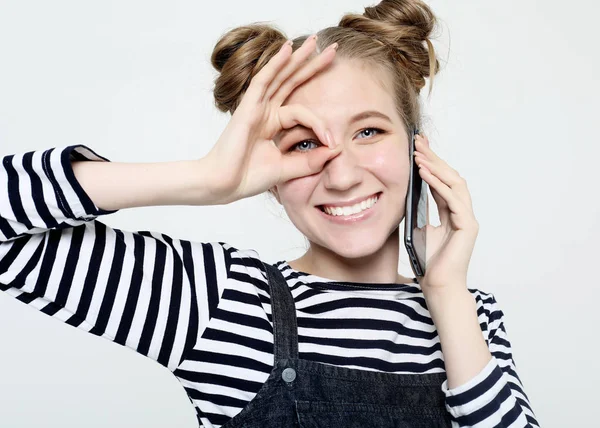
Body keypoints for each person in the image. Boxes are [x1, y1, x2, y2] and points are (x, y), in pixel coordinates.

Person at [0, 0, 539, 426]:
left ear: (416, 147)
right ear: (268, 173)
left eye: (369, 131)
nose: (343, 174)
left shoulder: (471, 315)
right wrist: (207, 178)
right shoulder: (222, 301)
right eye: (304, 144)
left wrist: (446, 293)